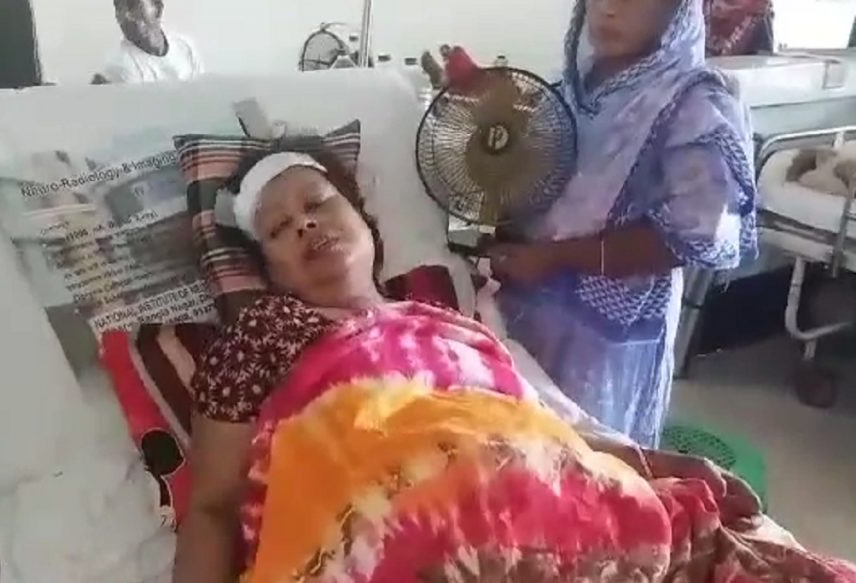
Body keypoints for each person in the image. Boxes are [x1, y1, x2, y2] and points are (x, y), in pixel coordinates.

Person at [172, 150, 854, 583]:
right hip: (399, 534)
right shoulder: (258, 336)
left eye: (318, 203)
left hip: (566, 513)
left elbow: (538, 428)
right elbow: (211, 505)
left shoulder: (455, 327)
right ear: (271, 272)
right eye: (278, 229)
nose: (304, 225)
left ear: (364, 219)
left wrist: (660, 462)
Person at [489, 0, 758, 447]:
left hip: (605, 340)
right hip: (525, 308)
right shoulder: (571, 89)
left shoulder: (695, 106)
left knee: (590, 454)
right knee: (519, 446)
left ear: (676, 11)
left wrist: (555, 258)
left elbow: (691, 236)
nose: (609, 10)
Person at [92, 0, 203, 84]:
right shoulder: (119, 68)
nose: (124, 16)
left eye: (132, 5)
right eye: (118, 8)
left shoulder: (185, 47)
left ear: (158, 10)